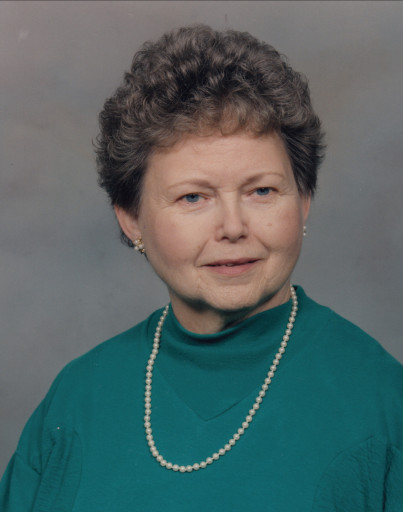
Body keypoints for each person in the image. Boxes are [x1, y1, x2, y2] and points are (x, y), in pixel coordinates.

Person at [1, 24, 402, 511]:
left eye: (261, 191)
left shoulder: (381, 402)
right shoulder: (76, 399)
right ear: (131, 219)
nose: (232, 227)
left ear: (303, 203)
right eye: (193, 197)